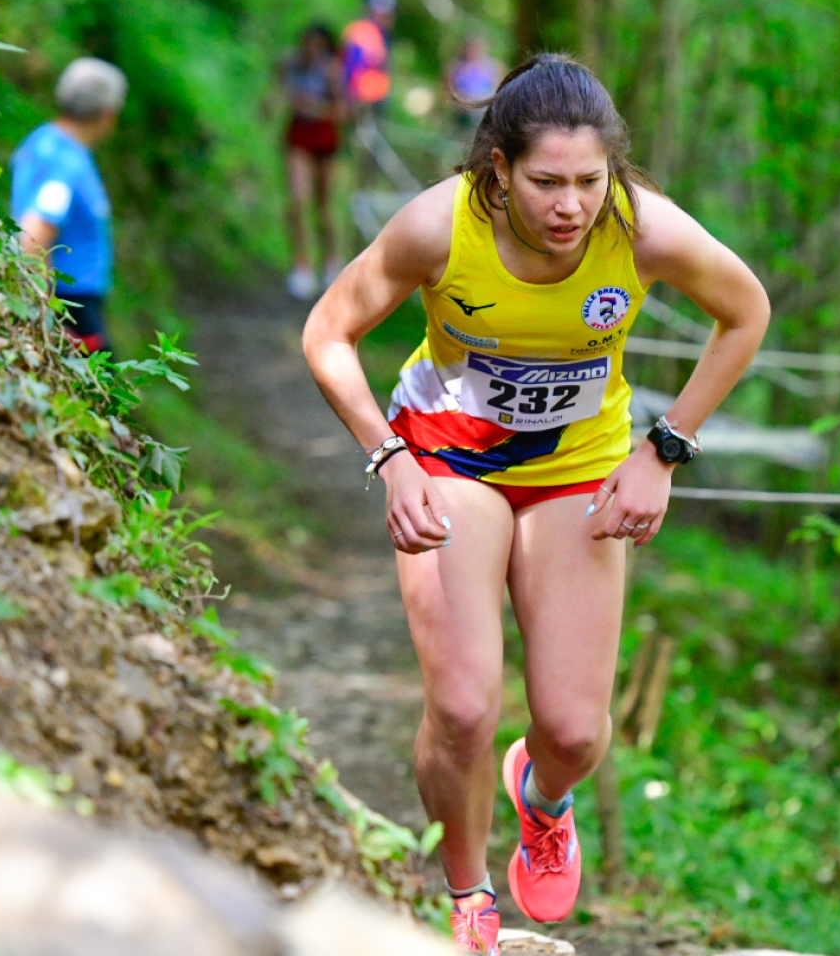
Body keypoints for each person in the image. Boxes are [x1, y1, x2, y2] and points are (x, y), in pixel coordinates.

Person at [302, 54, 769, 954]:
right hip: (447, 460)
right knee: (466, 707)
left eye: (590, 182)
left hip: (578, 470)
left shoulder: (641, 231)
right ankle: (469, 894)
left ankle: (541, 798)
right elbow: (329, 332)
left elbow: (745, 312)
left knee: (572, 732)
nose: (570, 206)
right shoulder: (438, 226)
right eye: (546, 182)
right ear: (497, 170)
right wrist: (389, 459)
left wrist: (664, 449)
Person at [11, 57, 126, 353]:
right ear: (107, 114)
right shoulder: (66, 164)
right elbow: (34, 235)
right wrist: (43, 318)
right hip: (71, 310)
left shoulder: (41, 141)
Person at [281, 24, 348, 301]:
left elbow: (344, 111)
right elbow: (279, 93)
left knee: (323, 207)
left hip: (325, 140)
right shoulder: (291, 64)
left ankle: (331, 261)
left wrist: (315, 109)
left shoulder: (332, 70)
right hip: (298, 138)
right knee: (297, 201)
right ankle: (302, 263)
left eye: (317, 44)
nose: (312, 49)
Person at [341, 0, 397, 114]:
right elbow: (351, 66)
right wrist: (349, 95)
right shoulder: (362, 31)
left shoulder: (382, 34)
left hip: (375, 97)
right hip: (361, 98)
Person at [445, 35, 504, 130]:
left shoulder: (494, 66)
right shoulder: (456, 67)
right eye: (471, 47)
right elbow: (447, 89)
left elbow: (502, 87)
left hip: (485, 109)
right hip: (463, 110)